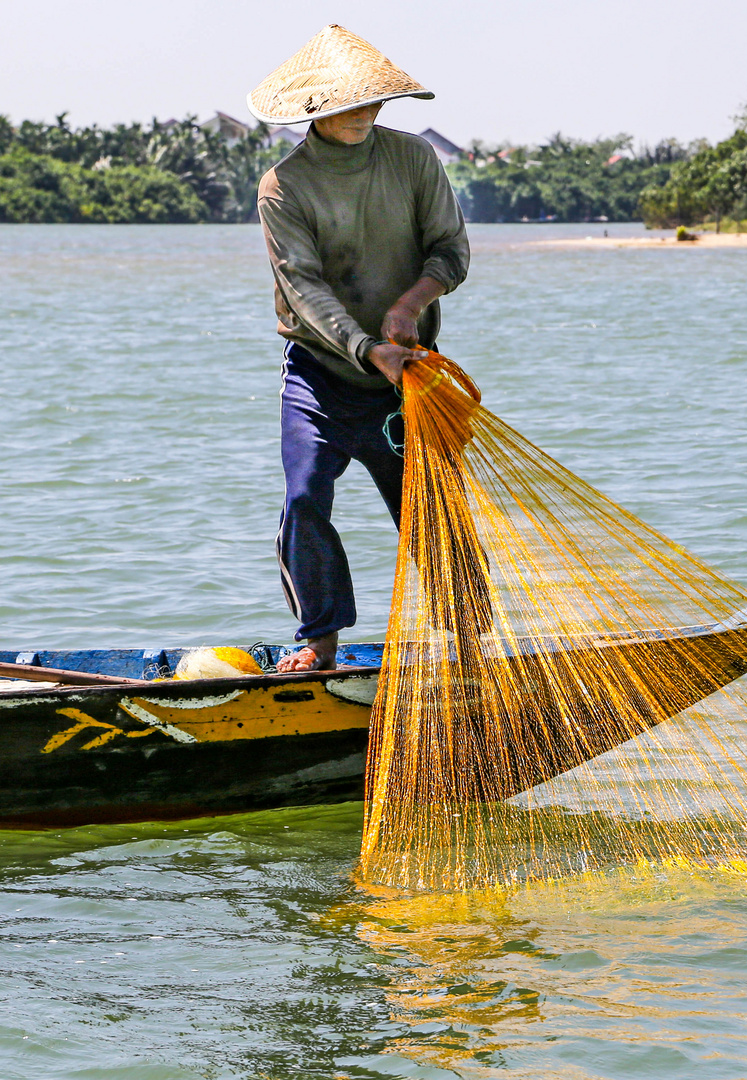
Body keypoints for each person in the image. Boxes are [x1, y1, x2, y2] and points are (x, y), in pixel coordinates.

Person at [248, 25, 470, 672]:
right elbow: (304, 288)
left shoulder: (413, 160)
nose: (364, 115)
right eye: (347, 103)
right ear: (313, 109)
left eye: (373, 101)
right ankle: (318, 640)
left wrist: (409, 307)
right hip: (320, 374)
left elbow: (450, 251)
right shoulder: (284, 187)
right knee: (305, 497)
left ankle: (467, 642)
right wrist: (367, 347)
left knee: (434, 518)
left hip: (408, 382)